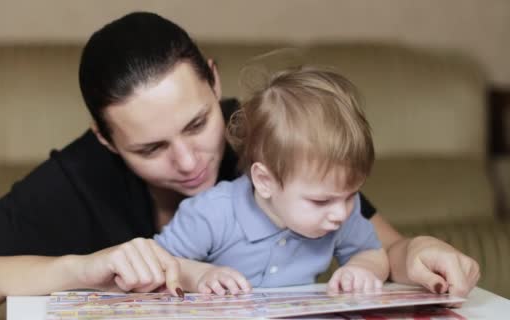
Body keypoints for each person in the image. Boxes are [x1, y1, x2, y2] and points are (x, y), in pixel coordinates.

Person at [0, 11, 479, 316]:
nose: (188, 162)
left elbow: (385, 249)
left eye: (197, 123)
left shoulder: (265, 134)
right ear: (105, 140)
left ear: (214, 80)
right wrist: (76, 269)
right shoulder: (81, 175)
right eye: (150, 149)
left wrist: (423, 251)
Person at [155, 67, 389, 294]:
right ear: (265, 181)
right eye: (321, 201)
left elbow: (373, 254)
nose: (340, 213)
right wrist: (199, 276)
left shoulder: (341, 214)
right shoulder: (211, 213)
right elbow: (158, 263)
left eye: (350, 195)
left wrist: (363, 269)